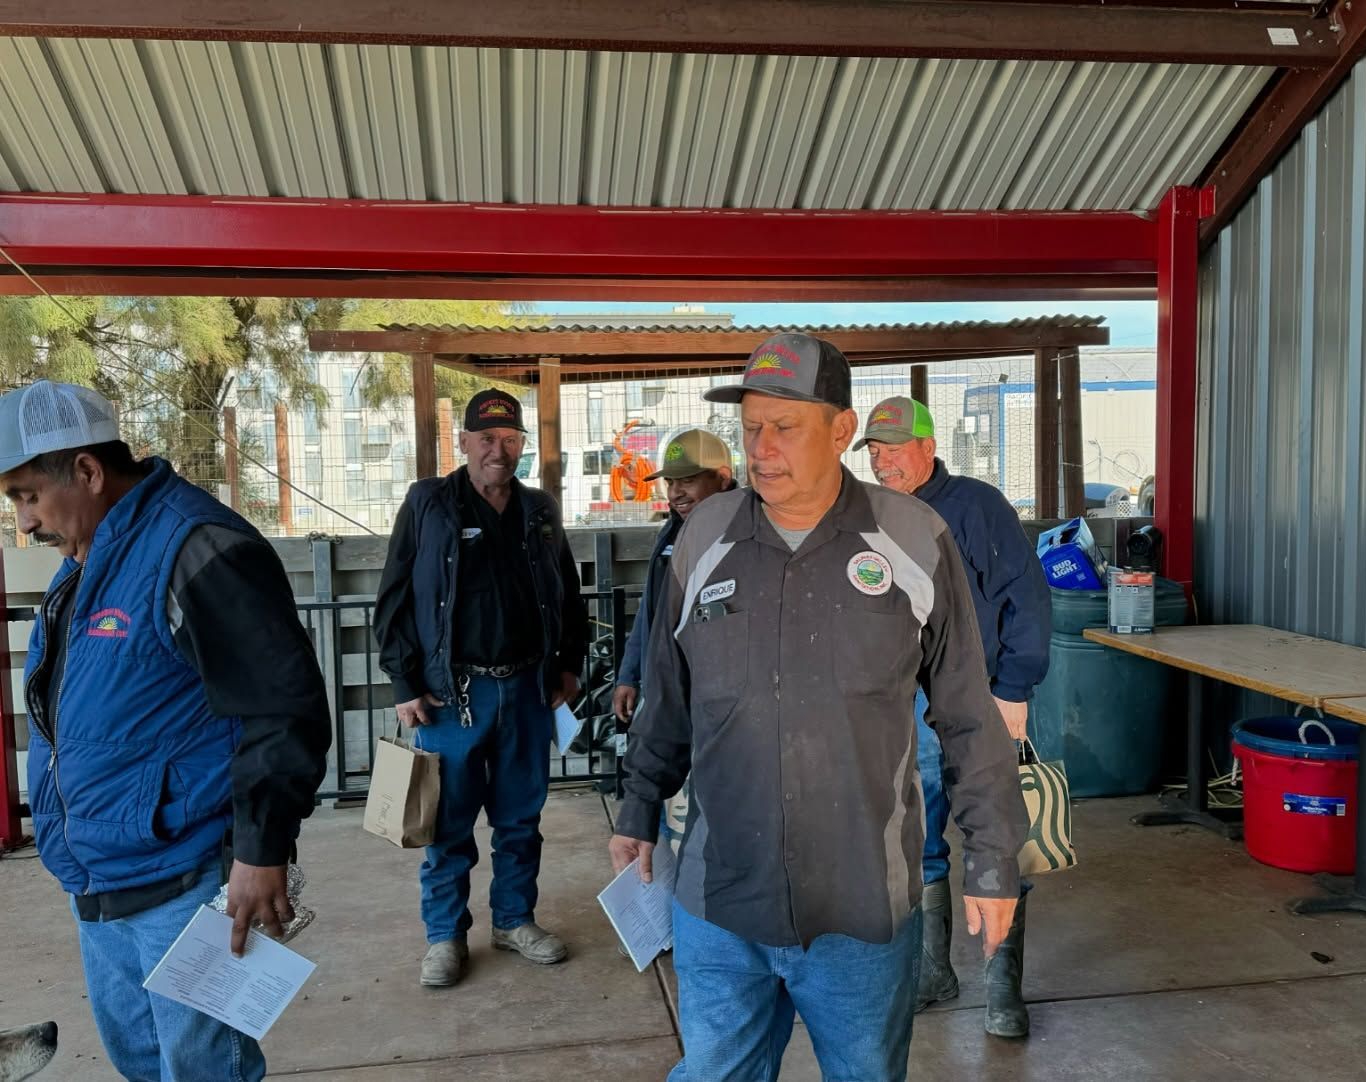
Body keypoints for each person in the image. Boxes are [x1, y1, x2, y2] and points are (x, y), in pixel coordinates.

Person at [609, 334, 1028, 1081]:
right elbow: (669, 694)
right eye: (751, 428)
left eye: (785, 426)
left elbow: (967, 714)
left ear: (841, 431)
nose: (761, 448)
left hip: (860, 909)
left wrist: (992, 860)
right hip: (720, 900)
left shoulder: (913, 539)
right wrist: (639, 804)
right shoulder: (704, 535)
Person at [2, 380, 331, 1082]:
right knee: (144, 1064)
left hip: (185, 883)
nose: (24, 522)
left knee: (205, 1071)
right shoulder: (83, 565)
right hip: (101, 880)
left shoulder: (195, 548)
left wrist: (261, 850)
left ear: (87, 471)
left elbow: (282, 709)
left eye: (28, 496)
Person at [374, 388, 587, 989]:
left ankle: (514, 921)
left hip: (527, 689)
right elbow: (394, 597)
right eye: (487, 438)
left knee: (520, 818)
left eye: (511, 439)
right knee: (447, 824)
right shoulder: (429, 503)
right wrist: (404, 680)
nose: (499, 450)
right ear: (464, 441)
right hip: (451, 695)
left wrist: (568, 665)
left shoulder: (540, 509)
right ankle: (445, 935)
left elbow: (568, 591)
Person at [858, 394, 1052, 1033]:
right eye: (874, 450)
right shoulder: (873, 514)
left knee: (996, 834)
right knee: (919, 835)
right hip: (906, 704)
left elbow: (1026, 597)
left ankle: (1003, 989)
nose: (882, 461)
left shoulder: (977, 506)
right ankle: (934, 971)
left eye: (893, 448)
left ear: (928, 447)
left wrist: (1015, 688)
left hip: (981, 697)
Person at [612, 428, 736, 834]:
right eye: (670, 481)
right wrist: (630, 674)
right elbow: (650, 612)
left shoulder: (750, 534)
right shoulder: (671, 531)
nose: (676, 492)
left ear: (722, 478)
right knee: (663, 813)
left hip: (721, 703)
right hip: (665, 694)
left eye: (688, 480)